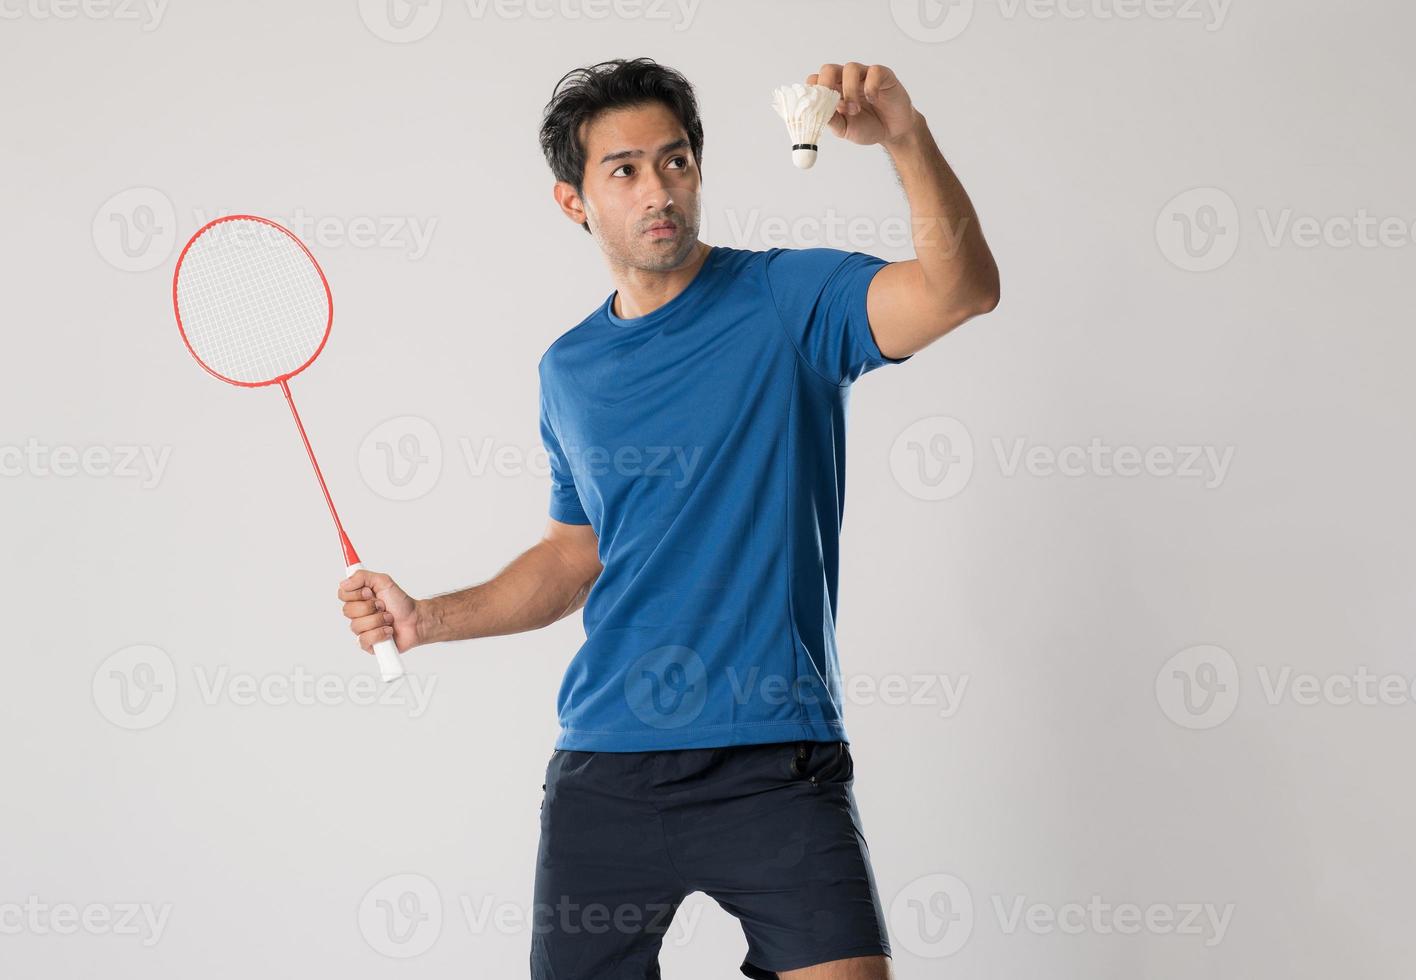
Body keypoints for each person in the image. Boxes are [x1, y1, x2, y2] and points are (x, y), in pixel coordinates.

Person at [339, 57, 999, 980]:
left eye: (676, 161)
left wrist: (904, 136)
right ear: (573, 201)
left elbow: (960, 290)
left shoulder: (788, 302)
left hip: (776, 760)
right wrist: (424, 621)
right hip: (608, 770)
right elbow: (574, 558)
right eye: (625, 169)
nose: (659, 189)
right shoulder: (567, 370)